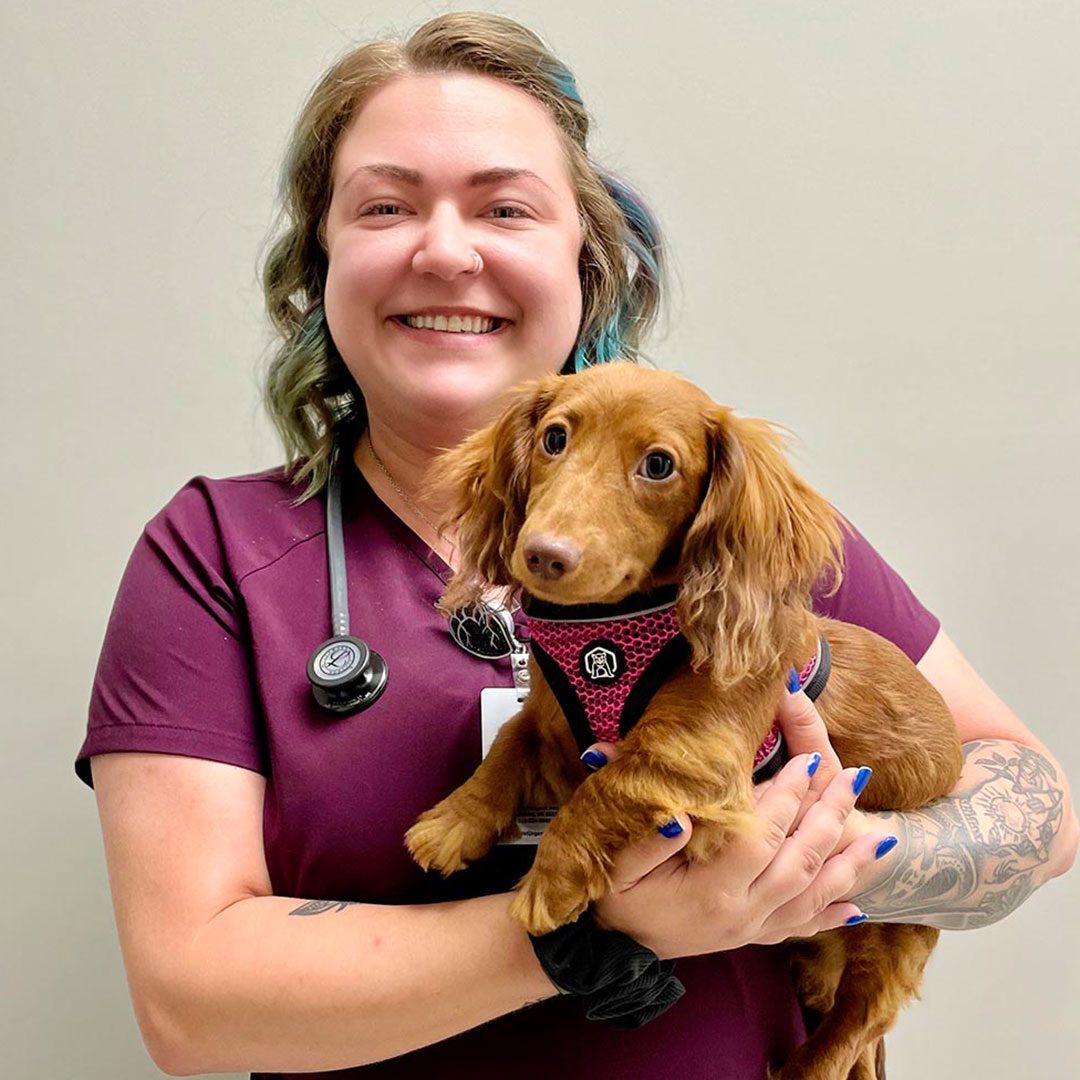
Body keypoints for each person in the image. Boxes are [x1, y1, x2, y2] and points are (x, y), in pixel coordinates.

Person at [74, 12, 1077, 1079]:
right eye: (384, 205)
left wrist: (844, 858)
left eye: (505, 207)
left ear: (585, 257)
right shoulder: (215, 557)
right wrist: (589, 930)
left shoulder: (739, 523)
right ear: (320, 253)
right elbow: (191, 1008)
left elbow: (1041, 813)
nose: (445, 249)